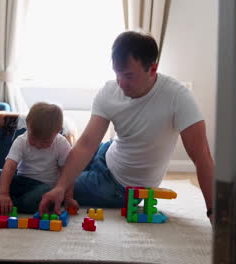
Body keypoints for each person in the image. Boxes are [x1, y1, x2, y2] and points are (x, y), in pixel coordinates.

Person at [39, 30, 214, 221]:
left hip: (121, 186)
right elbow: (87, 144)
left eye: (129, 76)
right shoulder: (109, 91)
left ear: (153, 69)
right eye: (117, 74)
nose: (121, 83)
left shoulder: (178, 97)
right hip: (106, 152)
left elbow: (202, 156)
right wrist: (62, 186)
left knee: (46, 186)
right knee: (48, 170)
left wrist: (215, 213)